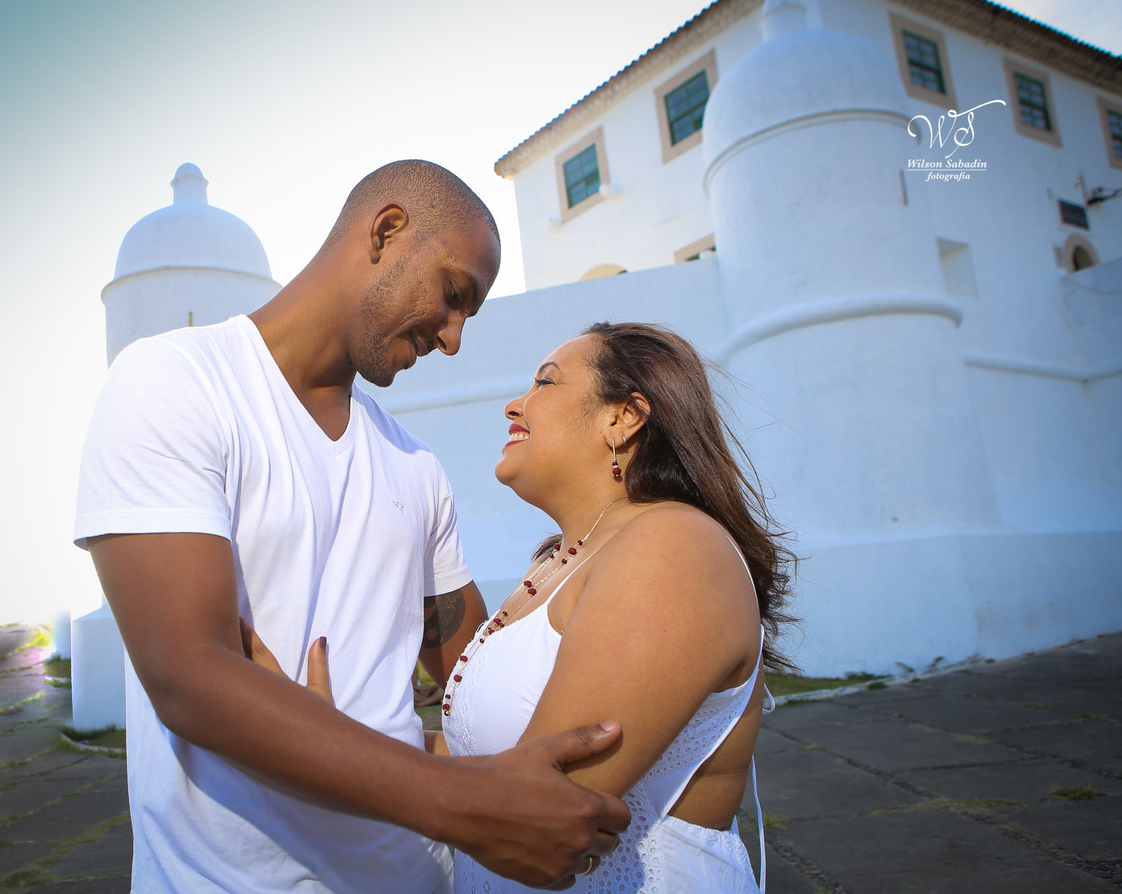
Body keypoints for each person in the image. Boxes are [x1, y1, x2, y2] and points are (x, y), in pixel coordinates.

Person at [73, 160, 630, 893]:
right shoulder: (175, 383)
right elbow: (188, 676)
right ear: (387, 229)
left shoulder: (414, 466)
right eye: (453, 293)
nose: (455, 337)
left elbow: (468, 681)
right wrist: (468, 807)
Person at [254, 322, 797, 891]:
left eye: (546, 382)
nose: (516, 403)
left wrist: (329, 751)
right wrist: (349, 725)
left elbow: (540, 806)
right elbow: (483, 762)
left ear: (623, 416)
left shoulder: (673, 549)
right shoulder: (556, 565)